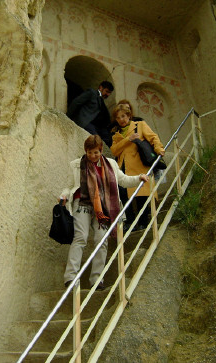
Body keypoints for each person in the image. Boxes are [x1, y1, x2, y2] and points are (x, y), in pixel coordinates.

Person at [59, 135, 149, 290]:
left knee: (102, 240)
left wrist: (138, 178)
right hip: (83, 204)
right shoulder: (76, 165)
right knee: (81, 237)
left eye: (96, 152)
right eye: (90, 152)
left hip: (104, 207)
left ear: (101, 151)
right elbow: (69, 186)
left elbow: (123, 180)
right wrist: (63, 196)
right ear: (85, 151)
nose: (93, 156)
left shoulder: (111, 164)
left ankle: (97, 279)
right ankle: (71, 277)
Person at [110, 103, 165, 231]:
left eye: (123, 116)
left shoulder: (139, 125)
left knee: (141, 194)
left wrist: (159, 149)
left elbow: (153, 137)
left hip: (138, 164)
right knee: (122, 193)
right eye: (118, 118)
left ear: (129, 115)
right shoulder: (116, 133)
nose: (121, 120)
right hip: (122, 167)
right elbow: (114, 151)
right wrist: (128, 139)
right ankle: (130, 221)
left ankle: (143, 222)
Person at [66, 81, 114, 147]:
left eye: (109, 93)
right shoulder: (92, 93)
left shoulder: (101, 101)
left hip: (96, 126)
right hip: (86, 123)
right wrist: (68, 118)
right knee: (96, 140)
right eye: (107, 91)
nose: (108, 94)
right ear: (100, 88)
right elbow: (76, 102)